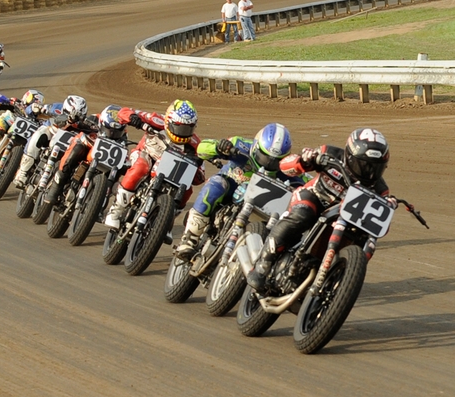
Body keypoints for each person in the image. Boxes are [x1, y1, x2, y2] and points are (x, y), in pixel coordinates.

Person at [246, 128, 396, 293]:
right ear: (350, 156)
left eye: (375, 167)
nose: (369, 171)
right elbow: (286, 166)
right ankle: (263, 264)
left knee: (361, 236)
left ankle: (339, 278)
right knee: (302, 215)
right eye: (364, 165)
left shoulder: (381, 189)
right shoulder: (330, 153)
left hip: (342, 217)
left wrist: (388, 204)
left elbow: (380, 226)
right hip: (314, 197)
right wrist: (304, 160)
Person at [176, 123, 306, 257]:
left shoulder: (290, 168)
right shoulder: (240, 144)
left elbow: (309, 182)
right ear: (256, 146)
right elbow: (201, 148)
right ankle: (190, 237)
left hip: (265, 207)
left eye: (275, 162)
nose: (268, 163)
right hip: (231, 189)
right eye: (264, 156)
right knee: (216, 184)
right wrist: (218, 147)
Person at [103, 100, 204, 229]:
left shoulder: (195, 143)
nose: (182, 132)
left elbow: (200, 176)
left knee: (187, 189)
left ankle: (167, 222)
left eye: (187, 128)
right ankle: (116, 210)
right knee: (141, 167)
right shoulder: (156, 119)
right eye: (179, 127)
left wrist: (197, 164)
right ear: (168, 121)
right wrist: (134, 118)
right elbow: (123, 111)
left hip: (170, 170)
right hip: (146, 155)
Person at [14, 95, 95, 187]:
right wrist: (34, 108)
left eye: (79, 117)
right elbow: (32, 110)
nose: (74, 119)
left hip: (69, 144)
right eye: (70, 114)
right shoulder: (56, 108)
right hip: (52, 132)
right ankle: (23, 172)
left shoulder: (87, 122)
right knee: (40, 133)